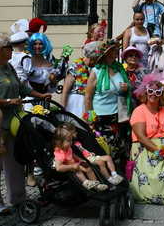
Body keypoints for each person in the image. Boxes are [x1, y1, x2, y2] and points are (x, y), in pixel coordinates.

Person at [0, 33, 51, 213]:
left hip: (14, 122)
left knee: (15, 162)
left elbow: (22, 87)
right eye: (9, 47)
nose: (13, 50)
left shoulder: (8, 66)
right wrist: (7, 102)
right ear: (0, 50)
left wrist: (40, 95)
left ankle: (17, 198)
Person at [129, 80, 164, 205]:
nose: (153, 94)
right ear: (145, 92)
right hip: (146, 151)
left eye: (157, 91)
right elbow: (141, 137)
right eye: (150, 91)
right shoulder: (139, 111)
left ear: (162, 94)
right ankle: (157, 196)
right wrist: (162, 152)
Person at [84, 39, 132, 168]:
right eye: (111, 51)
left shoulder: (119, 68)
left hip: (118, 115)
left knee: (120, 147)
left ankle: (120, 175)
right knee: (105, 148)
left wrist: (126, 88)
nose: (114, 53)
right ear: (104, 54)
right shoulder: (96, 71)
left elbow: (125, 88)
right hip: (101, 116)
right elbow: (88, 96)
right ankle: (107, 175)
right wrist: (90, 117)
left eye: (116, 51)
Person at [52, 124, 108, 191]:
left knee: (88, 168)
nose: (71, 142)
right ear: (59, 142)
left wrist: (79, 159)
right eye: (68, 141)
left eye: (71, 140)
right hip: (67, 166)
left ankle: (96, 185)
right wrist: (72, 166)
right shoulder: (60, 153)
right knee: (78, 170)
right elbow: (58, 168)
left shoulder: (68, 147)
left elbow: (72, 154)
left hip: (73, 163)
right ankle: (85, 182)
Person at [61, 42, 98, 118]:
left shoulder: (95, 69)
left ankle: (90, 120)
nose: (95, 62)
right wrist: (62, 109)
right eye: (94, 59)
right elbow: (65, 90)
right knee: (76, 124)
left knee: (88, 125)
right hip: (75, 103)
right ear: (89, 56)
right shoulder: (75, 66)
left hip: (90, 102)